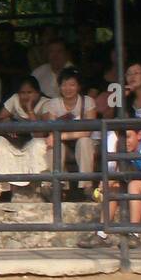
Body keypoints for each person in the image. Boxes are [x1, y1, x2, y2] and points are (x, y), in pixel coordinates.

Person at [81, 126, 141, 249]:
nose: (125, 141)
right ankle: (101, 235)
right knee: (114, 187)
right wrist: (106, 184)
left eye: (128, 136)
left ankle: (134, 234)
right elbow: (117, 172)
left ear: (139, 135)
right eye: (121, 138)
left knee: (133, 185)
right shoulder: (124, 149)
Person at [0, 76, 48, 202]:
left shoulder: (45, 103)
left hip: (33, 144)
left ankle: (41, 188)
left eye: (30, 92)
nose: (25, 96)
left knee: (39, 144)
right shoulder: (14, 100)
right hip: (15, 143)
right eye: (22, 93)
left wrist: (30, 111)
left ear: (38, 93)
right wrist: (7, 123)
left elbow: (40, 133)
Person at [39, 67, 97, 197]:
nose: (68, 88)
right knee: (54, 145)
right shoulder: (54, 104)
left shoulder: (87, 102)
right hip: (65, 145)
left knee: (84, 142)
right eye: (64, 85)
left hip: (81, 143)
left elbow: (87, 132)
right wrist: (58, 137)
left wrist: (62, 136)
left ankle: (86, 186)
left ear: (78, 86)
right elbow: (52, 131)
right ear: (59, 87)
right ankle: (58, 186)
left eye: (72, 84)